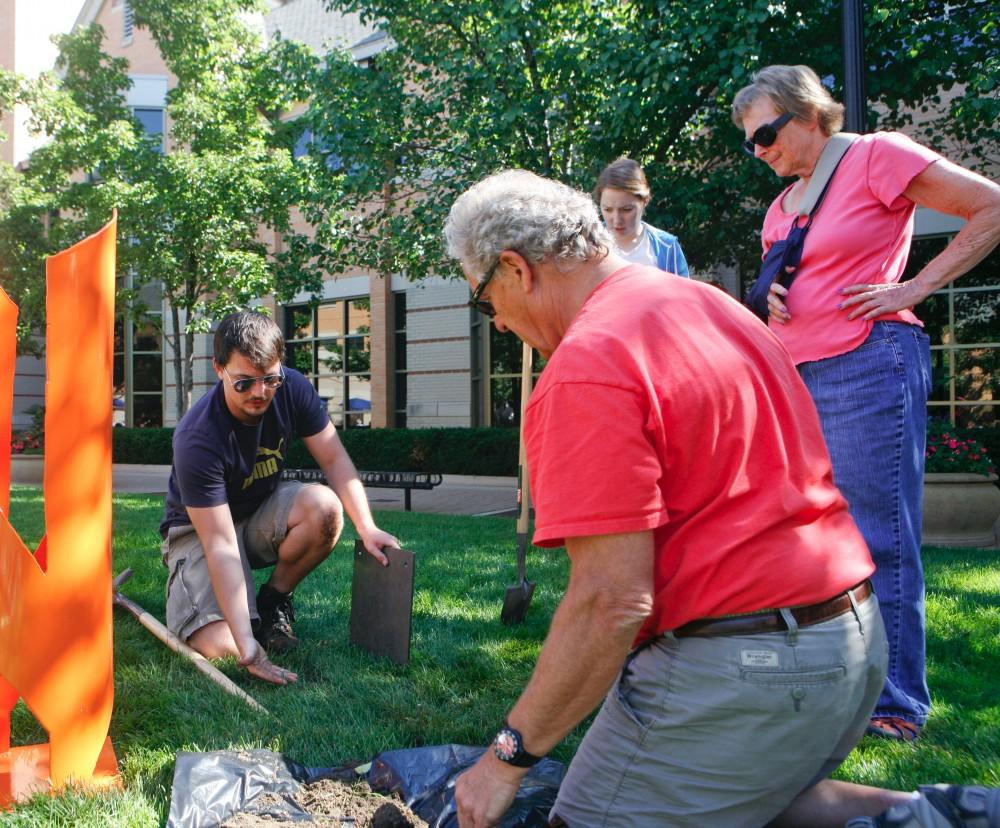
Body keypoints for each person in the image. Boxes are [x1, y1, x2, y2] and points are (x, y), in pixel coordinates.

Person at [444, 170, 999, 828]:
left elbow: (611, 600)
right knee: (750, 797)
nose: (501, 325)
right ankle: (923, 815)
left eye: (486, 303)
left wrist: (507, 756)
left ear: (516, 268)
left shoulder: (585, 365)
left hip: (749, 666)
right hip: (852, 638)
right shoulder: (711, 306)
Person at [732, 65, 1000, 742]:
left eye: (766, 133)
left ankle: (895, 703)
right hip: (796, 376)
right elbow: (784, 284)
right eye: (748, 142)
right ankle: (831, 683)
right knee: (807, 540)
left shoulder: (878, 156)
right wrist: (769, 297)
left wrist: (914, 288)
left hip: (868, 366)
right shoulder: (779, 209)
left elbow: (991, 207)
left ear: (810, 114)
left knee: (878, 537)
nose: (759, 150)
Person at [158, 311, 399, 686]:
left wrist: (367, 527)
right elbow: (221, 543)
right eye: (245, 383)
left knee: (324, 508)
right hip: (198, 532)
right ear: (219, 368)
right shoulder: (197, 437)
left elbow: (334, 458)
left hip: (257, 512)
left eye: (270, 379)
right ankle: (216, 608)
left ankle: (273, 602)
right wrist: (247, 645)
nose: (260, 393)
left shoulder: (293, 389)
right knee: (227, 646)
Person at [594, 156, 690, 276]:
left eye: (626, 210)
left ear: (645, 201)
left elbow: (682, 293)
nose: (617, 220)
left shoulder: (667, 247)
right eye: (607, 210)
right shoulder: (588, 246)